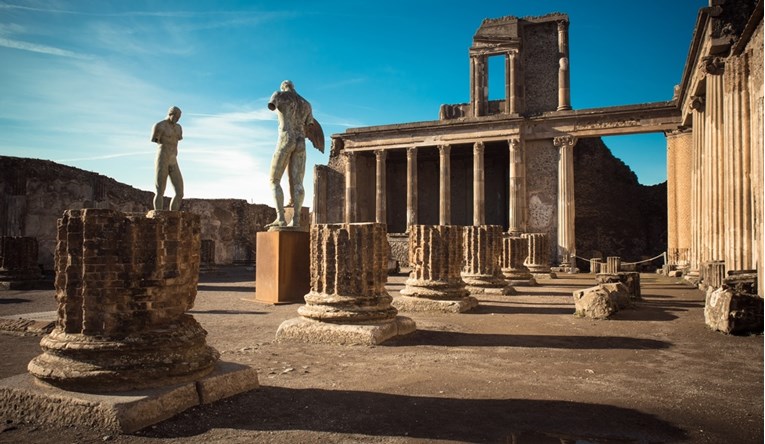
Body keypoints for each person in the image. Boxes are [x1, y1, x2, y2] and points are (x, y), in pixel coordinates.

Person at [266, 80, 322, 228]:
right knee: (298, 183)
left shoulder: (278, 95)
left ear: (283, 86)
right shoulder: (306, 104)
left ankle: (281, 218)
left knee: (274, 179)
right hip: (301, 142)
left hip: (286, 139)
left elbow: (271, 106)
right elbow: (309, 125)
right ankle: (296, 220)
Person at [151, 106, 184, 211]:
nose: (177, 119)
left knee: (180, 192)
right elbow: (155, 140)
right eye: (176, 116)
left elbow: (177, 139)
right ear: (170, 114)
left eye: (179, 117)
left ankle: (173, 216)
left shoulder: (179, 128)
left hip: (173, 160)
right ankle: (158, 216)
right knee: (160, 190)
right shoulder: (159, 126)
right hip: (162, 159)